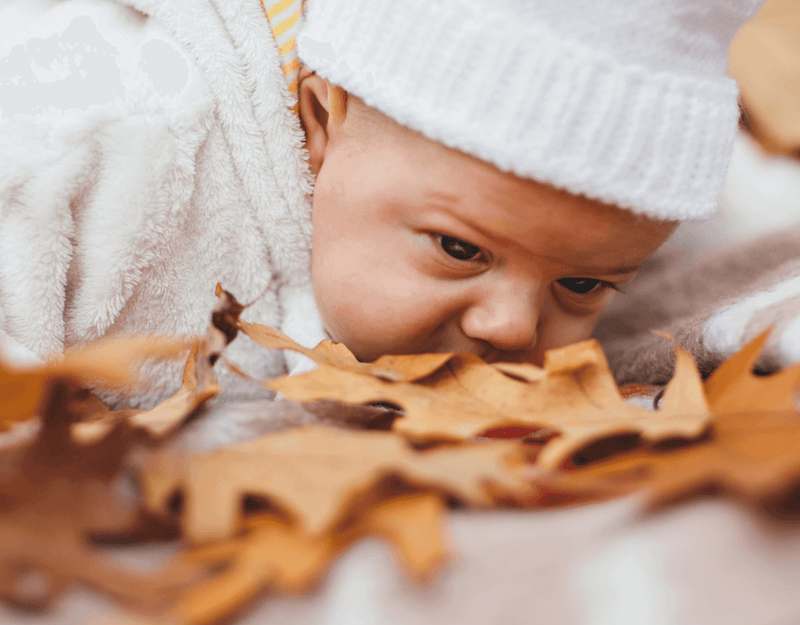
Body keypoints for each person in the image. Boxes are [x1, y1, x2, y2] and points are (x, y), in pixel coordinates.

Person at [0, 0, 763, 405]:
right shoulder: (103, 145)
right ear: (320, 122)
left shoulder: (575, 215)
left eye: (584, 286)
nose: (512, 327)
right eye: (459, 249)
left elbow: (752, 234)